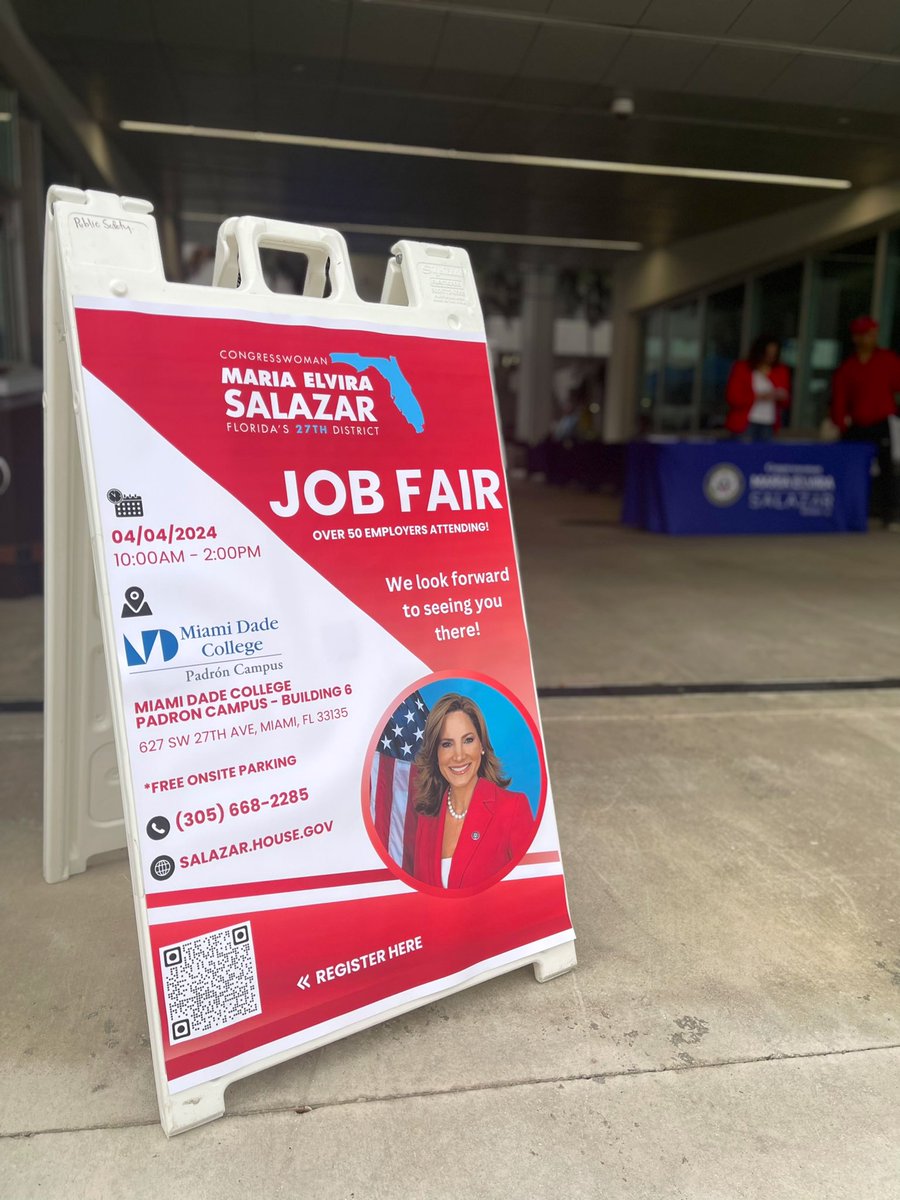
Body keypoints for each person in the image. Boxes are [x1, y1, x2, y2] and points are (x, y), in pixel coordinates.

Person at [412, 693, 535, 890]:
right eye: (447, 744)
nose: (459, 756)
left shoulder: (513, 808)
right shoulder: (426, 819)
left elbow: (531, 889)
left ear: (482, 746)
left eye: (468, 740)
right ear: (435, 754)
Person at [830, 316, 900, 528]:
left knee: (887, 469)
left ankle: (890, 515)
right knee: (853, 471)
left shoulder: (888, 360)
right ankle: (854, 513)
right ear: (856, 337)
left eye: (873, 333)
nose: (872, 338)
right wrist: (841, 424)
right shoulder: (848, 367)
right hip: (857, 426)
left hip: (882, 423)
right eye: (867, 334)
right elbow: (839, 399)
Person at [725, 334, 791, 441]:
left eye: (774, 353)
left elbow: (785, 400)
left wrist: (780, 396)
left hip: (769, 422)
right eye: (768, 352)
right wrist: (757, 396)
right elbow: (732, 397)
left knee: (766, 455)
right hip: (745, 422)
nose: (770, 356)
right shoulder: (742, 368)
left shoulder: (780, 370)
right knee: (744, 454)